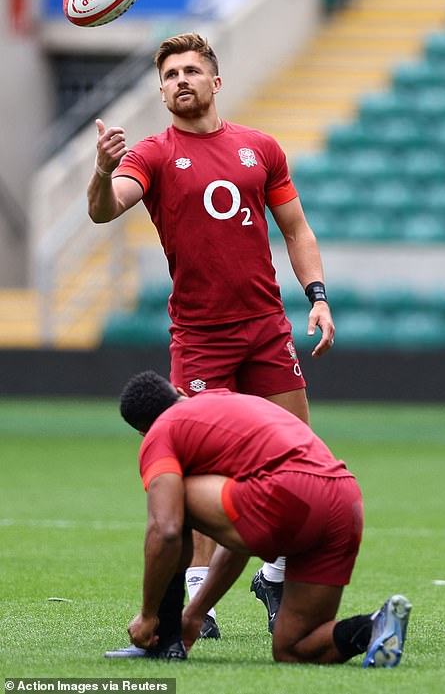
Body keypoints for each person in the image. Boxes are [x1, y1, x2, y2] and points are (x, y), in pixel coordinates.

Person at [87, 32, 335, 637]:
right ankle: (201, 594)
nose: (180, 81)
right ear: (161, 89)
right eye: (169, 74)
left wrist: (318, 297)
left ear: (215, 82)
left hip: (267, 328)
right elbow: (104, 209)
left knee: (298, 458)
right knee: (199, 467)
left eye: (191, 71)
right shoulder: (152, 154)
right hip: (200, 338)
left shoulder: (259, 148)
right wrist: (99, 172)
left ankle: (272, 577)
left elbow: (296, 230)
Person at [103, 370, 411, 667]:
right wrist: (195, 614)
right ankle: (374, 627)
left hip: (289, 494)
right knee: (293, 647)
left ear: (143, 432)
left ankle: (164, 639)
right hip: (344, 499)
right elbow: (240, 539)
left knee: (171, 498)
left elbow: (167, 529)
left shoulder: (160, 432)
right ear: (181, 392)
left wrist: (148, 614)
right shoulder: (227, 401)